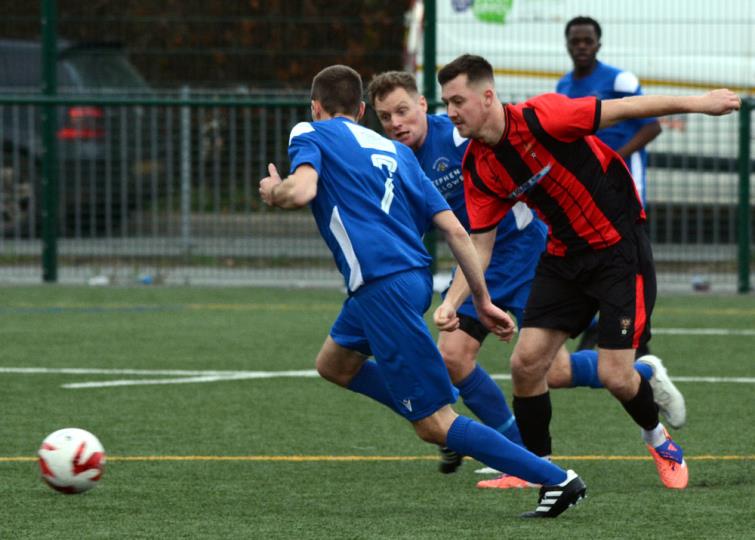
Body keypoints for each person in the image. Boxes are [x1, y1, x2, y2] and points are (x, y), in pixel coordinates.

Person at [259, 64, 586, 517]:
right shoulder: (397, 152)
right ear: (361, 110)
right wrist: (481, 299)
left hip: (383, 287)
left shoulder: (309, 132)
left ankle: (555, 479)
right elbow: (456, 230)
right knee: (334, 364)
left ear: (316, 107)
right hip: (407, 281)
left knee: (434, 425)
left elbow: (301, 191)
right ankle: (432, 397)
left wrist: (275, 190)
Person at [435, 54, 741, 491]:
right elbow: (479, 245)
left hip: (619, 249)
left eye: (458, 101)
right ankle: (536, 469)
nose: (451, 112)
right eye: (446, 103)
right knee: (526, 364)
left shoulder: (544, 116)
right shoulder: (479, 166)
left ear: (487, 97)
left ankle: (659, 440)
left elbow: (626, 108)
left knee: (616, 375)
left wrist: (699, 102)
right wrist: (452, 302)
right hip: (563, 256)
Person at [366, 70, 685, 489]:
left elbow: (514, 149)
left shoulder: (461, 137)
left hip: (524, 254)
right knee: (482, 360)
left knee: (542, 368)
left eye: (403, 111)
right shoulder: (396, 161)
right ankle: (524, 454)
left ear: (424, 105)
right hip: (481, 260)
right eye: (385, 117)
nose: (396, 123)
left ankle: (629, 382)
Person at [556, 15, 662, 355]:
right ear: (567, 44)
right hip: (585, 188)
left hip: (623, 183)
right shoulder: (563, 87)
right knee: (592, 252)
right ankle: (602, 328)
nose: (581, 46)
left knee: (627, 254)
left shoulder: (621, 79)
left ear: (598, 44)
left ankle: (632, 332)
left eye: (587, 41)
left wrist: (613, 157)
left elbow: (652, 126)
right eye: (575, 41)